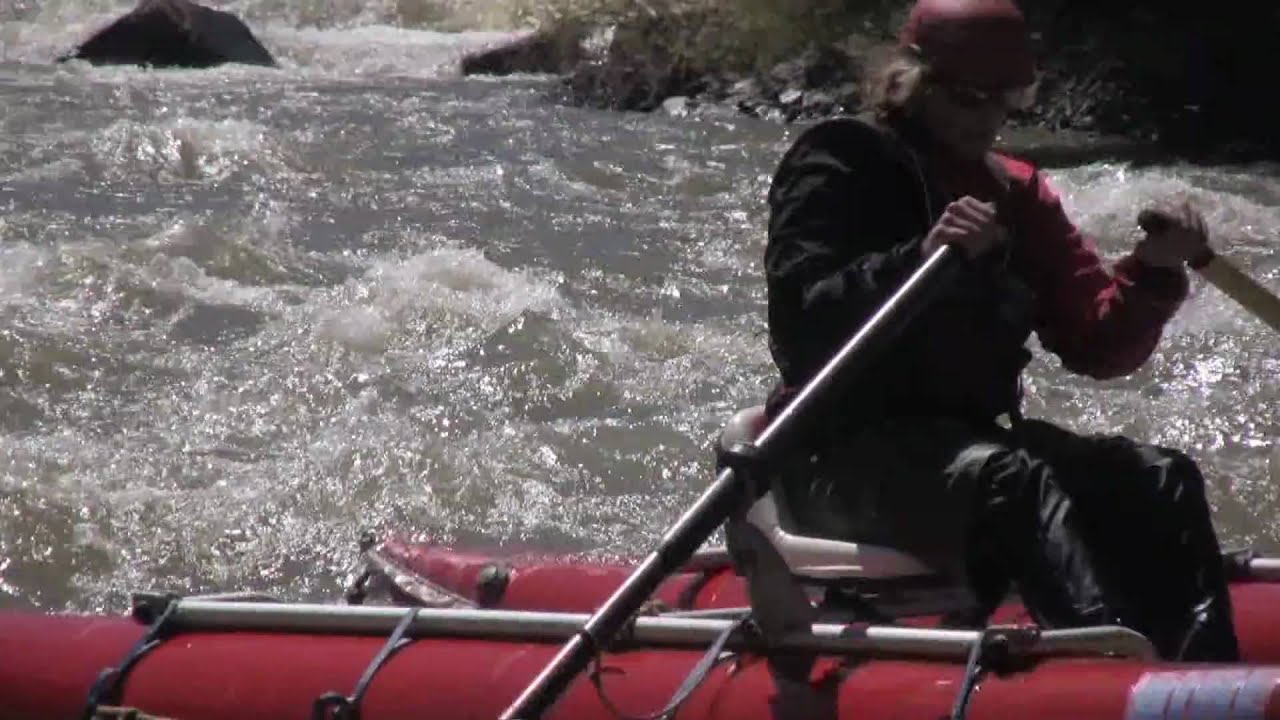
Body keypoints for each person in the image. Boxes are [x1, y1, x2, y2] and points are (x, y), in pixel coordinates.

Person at [761, 0, 1239, 661]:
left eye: (1002, 101)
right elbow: (800, 326)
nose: (986, 120)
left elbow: (1096, 346)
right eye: (965, 99)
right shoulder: (841, 161)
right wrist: (918, 261)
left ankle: (1205, 678)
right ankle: (1098, 676)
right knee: (1015, 483)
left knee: (1161, 477)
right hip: (838, 455)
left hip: (964, 448)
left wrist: (1151, 274)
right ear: (909, 83)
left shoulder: (1015, 193)